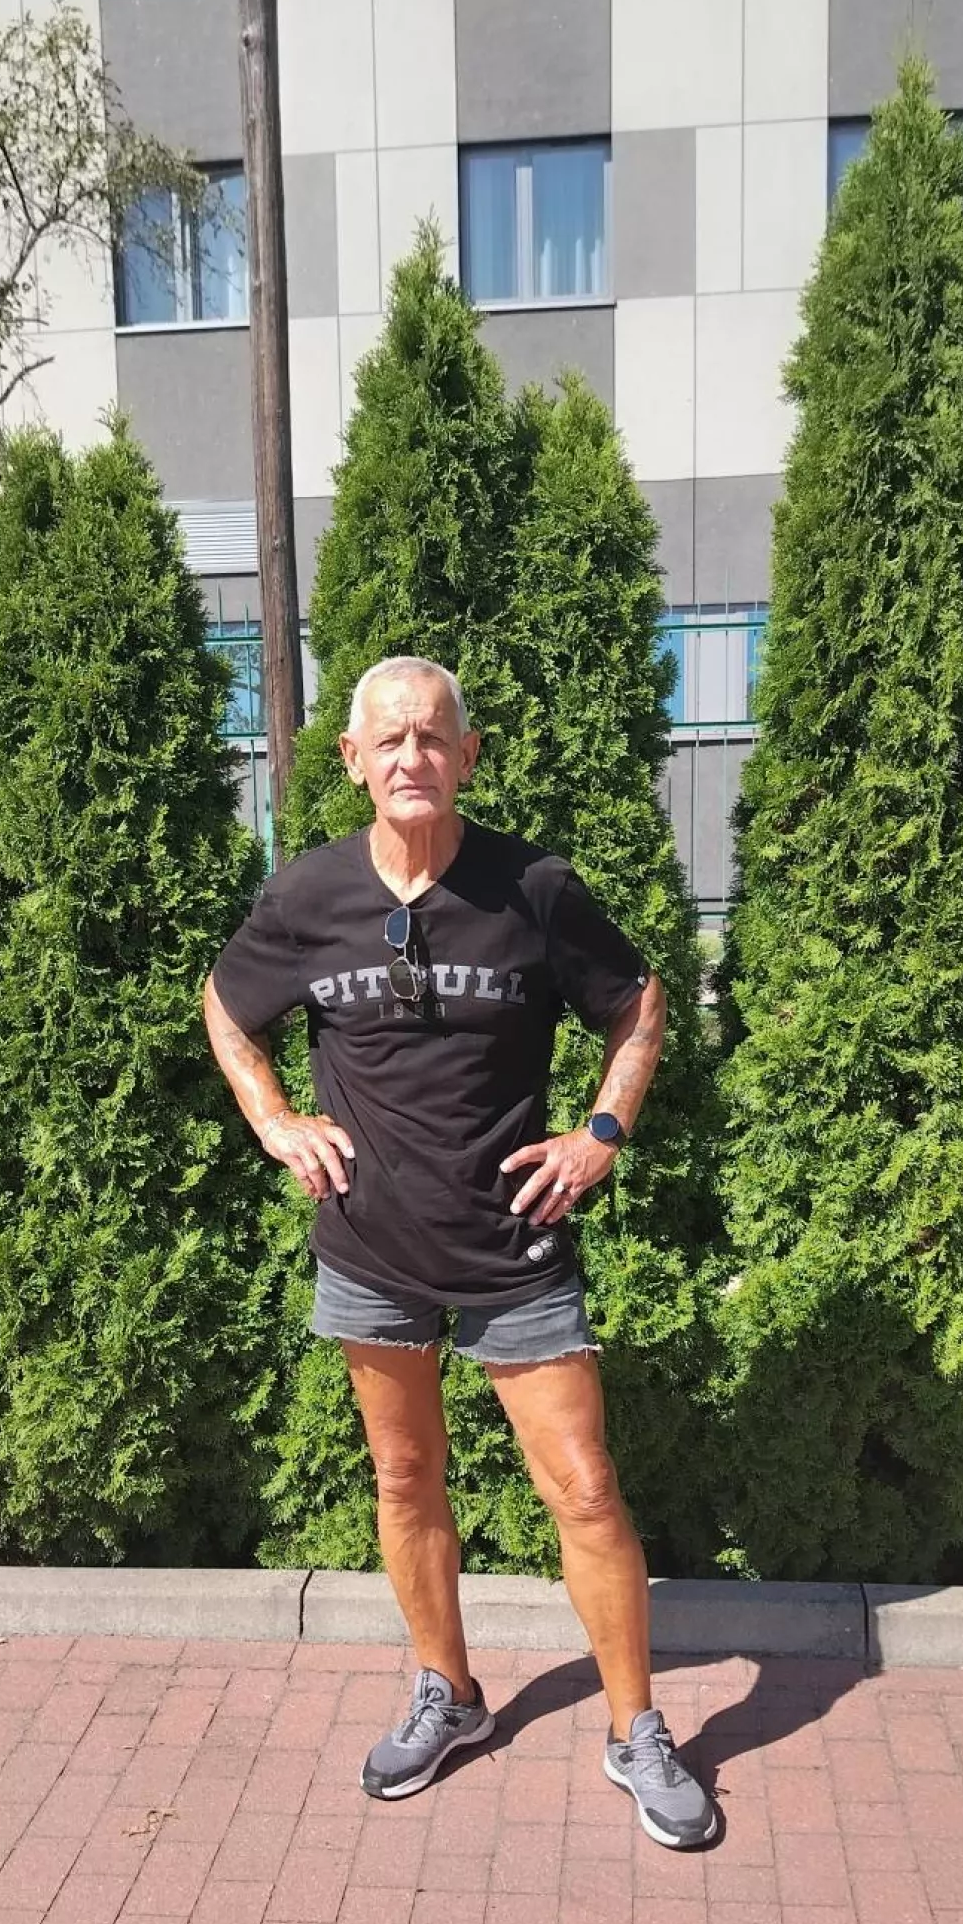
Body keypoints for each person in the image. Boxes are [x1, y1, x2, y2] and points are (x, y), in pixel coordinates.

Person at [205, 655, 716, 1851]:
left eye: (432, 737)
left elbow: (637, 1002)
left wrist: (599, 1133)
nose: (410, 757)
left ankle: (635, 1728)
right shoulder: (306, 895)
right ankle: (449, 1691)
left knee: (582, 1487)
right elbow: (226, 1006)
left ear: (467, 756)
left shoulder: (531, 887)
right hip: (369, 1248)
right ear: (350, 760)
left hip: (514, 1247)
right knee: (402, 1477)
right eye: (387, 740)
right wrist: (275, 1120)